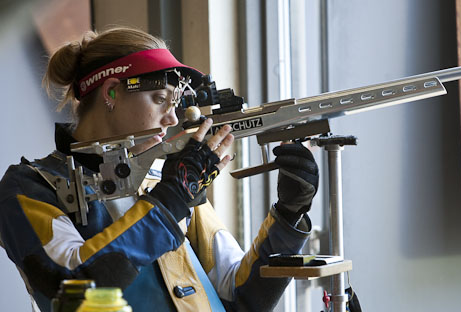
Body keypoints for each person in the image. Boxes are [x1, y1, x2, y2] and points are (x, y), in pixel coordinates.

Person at [0, 26, 319, 312]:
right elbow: (76, 286)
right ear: (111, 92)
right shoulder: (28, 187)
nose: (171, 120)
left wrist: (289, 215)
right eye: (159, 98)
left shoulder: (163, 180)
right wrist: (175, 195)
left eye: (175, 103)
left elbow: (242, 294)